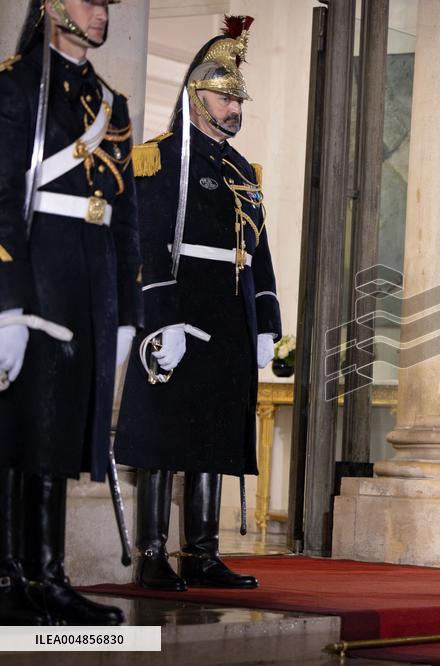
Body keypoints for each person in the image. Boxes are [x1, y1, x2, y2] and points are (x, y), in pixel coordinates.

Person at [115, 15, 281, 592]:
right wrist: (163, 321)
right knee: (163, 438)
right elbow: (147, 244)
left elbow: (258, 252)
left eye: (239, 99)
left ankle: (203, 553)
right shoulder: (160, 159)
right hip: (180, 314)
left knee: (214, 438)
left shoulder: (241, 170)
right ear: (195, 96)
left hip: (231, 320)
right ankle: (153, 554)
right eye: (223, 97)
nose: (235, 109)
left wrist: (267, 321)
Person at [0, 0, 140, 625]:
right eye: (89, 0)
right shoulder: (14, 83)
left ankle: (46, 577)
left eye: (107, 3)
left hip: (92, 282)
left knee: (57, 433)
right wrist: (5, 305)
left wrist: (127, 314)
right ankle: (12, 577)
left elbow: (127, 218)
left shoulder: (113, 103)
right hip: (36, 273)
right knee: (19, 428)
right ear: (53, 6)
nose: (101, 12)